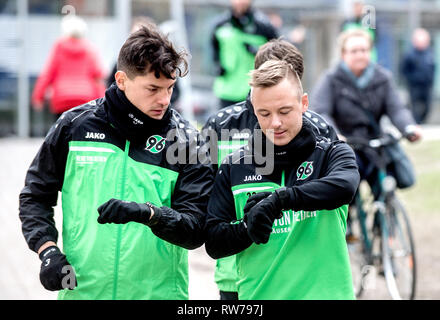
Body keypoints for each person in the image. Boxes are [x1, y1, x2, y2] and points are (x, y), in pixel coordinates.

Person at [19, 24, 214, 300]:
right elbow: (35, 195)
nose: (164, 99)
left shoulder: (188, 141)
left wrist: (150, 214)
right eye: (153, 88)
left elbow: (196, 229)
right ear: (121, 80)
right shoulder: (74, 126)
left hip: (157, 295)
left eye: (170, 88)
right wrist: (47, 250)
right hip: (83, 293)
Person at [204, 59, 360, 300]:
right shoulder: (234, 167)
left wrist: (281, 200)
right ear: (253, 110)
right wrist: (247, 228)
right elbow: (214, 243)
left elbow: (344, 187)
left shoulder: (331, 152)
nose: (275, 123)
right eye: (264, 114)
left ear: (304, 103)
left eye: (284, 111)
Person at [311, 29, 422, 191]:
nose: (360, 55)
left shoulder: (383, 78)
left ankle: (384, 213)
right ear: (343, 54)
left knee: (384, 188)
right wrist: (335, 135)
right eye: (354, 51)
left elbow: (396, 109)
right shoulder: (331, 79)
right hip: (347, 145)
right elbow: (321, 111)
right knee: (348, 189)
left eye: (364, 50)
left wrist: (408, 127)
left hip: (374, 144)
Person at [32, 15, 106, 121]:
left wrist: (38, 97)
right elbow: (98, 76)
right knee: (82, 132)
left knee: (61, 132)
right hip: (85, 98)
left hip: (62, 99)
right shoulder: (89, 48)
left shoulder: (59, 47)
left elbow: (48, 74)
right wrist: (103, 101)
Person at [210, 0, 278, 109]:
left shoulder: (263, 26)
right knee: (227, 125)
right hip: (227, 89)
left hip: (254, 89)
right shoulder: (221, 24)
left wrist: (258, 52)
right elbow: (214, 48)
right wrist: (218, 65)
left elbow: (277, 51)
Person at [401, 28, 436, 124]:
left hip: (427, 85)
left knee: (428, 106)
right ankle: (417, 124)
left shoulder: (430, 53)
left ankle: (422, 121)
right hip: (415, 86)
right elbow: (404, 70)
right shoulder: (409, 55)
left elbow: (433, 68)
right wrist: (411, 79)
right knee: (415, 106)